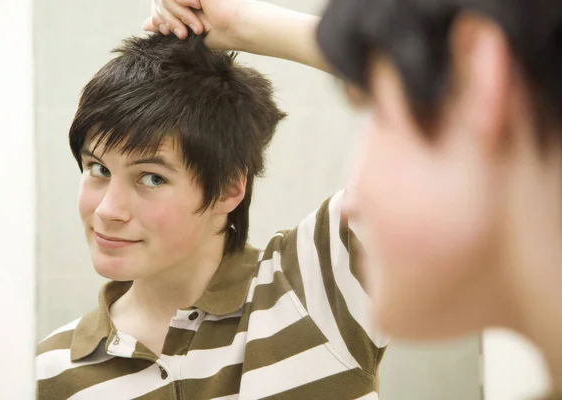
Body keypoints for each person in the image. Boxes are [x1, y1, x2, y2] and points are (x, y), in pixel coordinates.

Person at [146, 0, 562, 398]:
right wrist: (239, 22)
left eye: (379, 113)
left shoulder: (305, 278)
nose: (351, 203)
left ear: (481, 80)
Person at [36, 29, 387, 400]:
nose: (108, 211)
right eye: (99, 169)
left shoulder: (317, 287)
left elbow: (442, 81)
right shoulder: (50, 373)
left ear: (229, 188)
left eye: (151, 178)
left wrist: (240, 24)